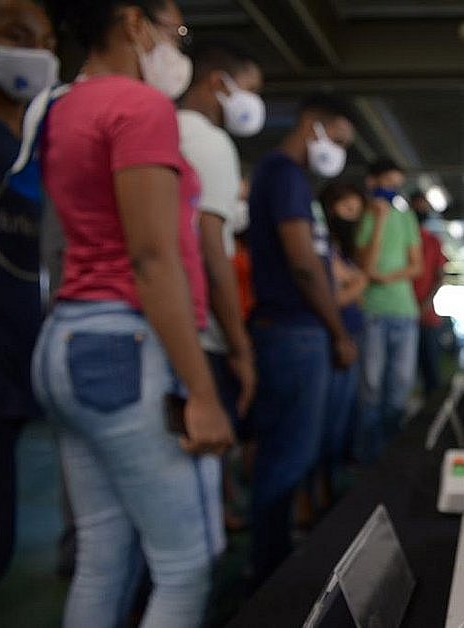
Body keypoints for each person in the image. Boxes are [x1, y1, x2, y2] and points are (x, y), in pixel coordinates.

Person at [35, 2, 233, 626]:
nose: (175, 45)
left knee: (102, 556)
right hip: (128, 345)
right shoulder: (140, 107)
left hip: (68, 336)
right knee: (186, 565)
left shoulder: (60, 107)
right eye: (171, 30)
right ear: (131, 22)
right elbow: (152, 258)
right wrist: (201, 391)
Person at [247, 93, 357, 583]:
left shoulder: (291, 179)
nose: (337, 151)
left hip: (294, 332)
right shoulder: (285, 175)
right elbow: (302, 263)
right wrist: (336, 330)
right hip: (295, 331)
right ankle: (270, 573)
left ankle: (270, 557)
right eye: (335, 139)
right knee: (287, 458)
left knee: (290, 453)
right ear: (312, 124)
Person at [0, 0, 57, 592]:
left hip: (9, 374)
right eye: (14, 36)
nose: (35, 53)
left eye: (45, 40)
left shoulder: (25, 146)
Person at [177, 41, 263, 529]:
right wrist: (240, 346)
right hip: (204, 333)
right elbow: (214, 252)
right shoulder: (209, 142)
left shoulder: (159, 129)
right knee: (197, 513)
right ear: (219, 83)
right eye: (249, 90)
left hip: (165, 327)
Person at [355, 159, 423, 464]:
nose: (391, 191)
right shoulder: (363, 217)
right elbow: (365, 265)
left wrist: (388, 277)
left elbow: (416, 265)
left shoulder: (407, 218)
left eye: (396, 185)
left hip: (404, 312)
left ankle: (392, 456)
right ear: (372, 183)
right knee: (370, 388)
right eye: (387, 184)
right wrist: (379, 220)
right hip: (372, 311)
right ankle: (370, 459)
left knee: (400, 385)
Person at [319, 182, 368, 498]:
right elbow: (334, 296)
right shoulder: (324, 247)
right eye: (346, 208)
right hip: (336, 338)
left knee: (343, 417)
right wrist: (358, 284)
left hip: (349, 334)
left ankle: (329, 485)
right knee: (328, 420)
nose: (352, 216)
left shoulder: (340, 249)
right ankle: (319, 491)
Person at [411, 193, 448, 397]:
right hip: (404, 312)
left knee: (431, 371)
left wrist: (425, 303)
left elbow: (439, 276)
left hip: (426, 316)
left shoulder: (433, 242)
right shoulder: (404, 238)